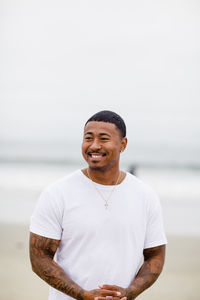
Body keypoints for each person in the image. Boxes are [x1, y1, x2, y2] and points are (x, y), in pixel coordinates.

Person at [29, 110, 167, 300]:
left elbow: (155, 255)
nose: (94, 146)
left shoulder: (145, 196)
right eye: (88, 138)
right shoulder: (57, 193)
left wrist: (130, 292)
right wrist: (82, 294)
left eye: (104, 139)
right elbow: (39, 258)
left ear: (123, 144)